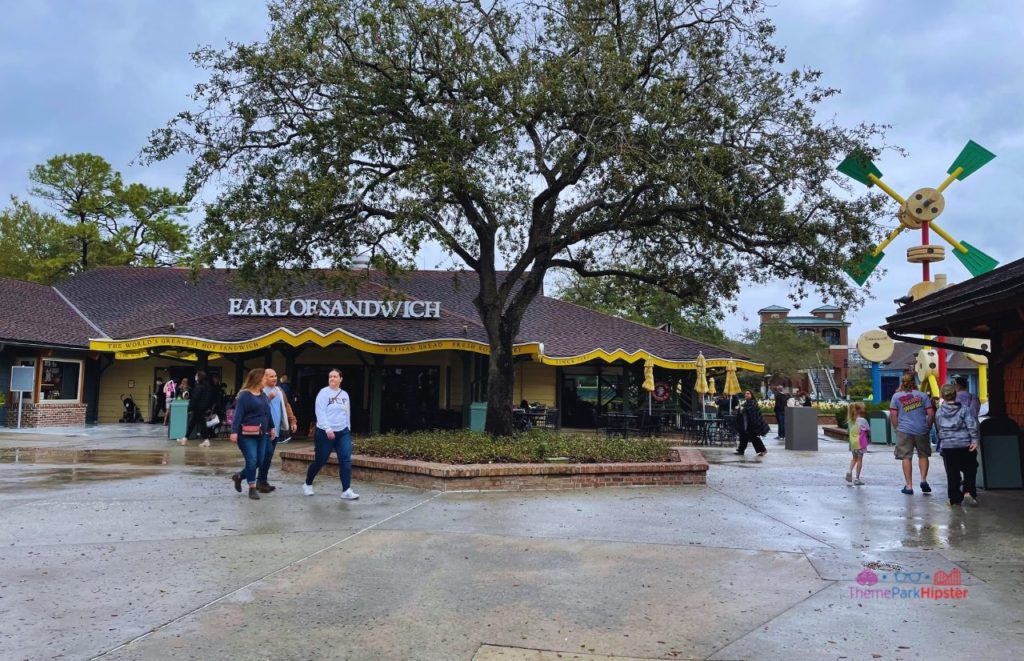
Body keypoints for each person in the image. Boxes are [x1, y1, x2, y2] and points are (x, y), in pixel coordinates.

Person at [304, 369, 359, 500]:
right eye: (330, 377)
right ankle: (308, 483)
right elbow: (320, 412)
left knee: (345, 459)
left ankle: (346, 490)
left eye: (335, 377)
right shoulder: (323, 393)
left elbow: (347, 412)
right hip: (325, 432)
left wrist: (348, 427)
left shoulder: (344, 394)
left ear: (341, 379)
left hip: (343, 431)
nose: (332, 379)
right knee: (320, 460)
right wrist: (327, 428)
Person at [230, 368, 275, 500]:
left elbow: (267, 413)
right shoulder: (244, 395)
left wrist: (271, 427)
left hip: (261, 434)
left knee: (259, 461)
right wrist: (233, 432)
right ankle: (252, 488)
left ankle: (239, 476)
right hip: (246, 435)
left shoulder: (263, 395)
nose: (266, 380)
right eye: (264, 378)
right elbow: (238, 415)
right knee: (252, 460)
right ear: (257, 379)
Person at [890, 373, 936, 495]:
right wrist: (928, 426)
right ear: (914, 382)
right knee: (923, 455)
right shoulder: (922, 396)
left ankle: (909, 486)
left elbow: (893, 415)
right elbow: (931, 413)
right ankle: (923, 480)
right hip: (921, 429)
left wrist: (896, 428)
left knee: (906, 457)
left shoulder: (896, 397)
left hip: (904, 430)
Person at [935, 383, 980, 506]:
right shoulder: (964, 409)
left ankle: (955, 498)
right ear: (955, 395)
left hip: (948, 445)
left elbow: (939, 428)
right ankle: (968, 492)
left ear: (943, 396)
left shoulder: (939, 412)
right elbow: (971, 425)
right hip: (965, 444)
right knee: (970, 469)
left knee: (952, 472)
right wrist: (974, 440)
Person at [255, 368, 298, 493]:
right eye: (271, 376)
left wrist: (292, 420)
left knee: (268, 457)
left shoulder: (279, 390)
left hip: (276, 430)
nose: (274, 378)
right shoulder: (258, 390)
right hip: (262, 429)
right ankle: (247, 476)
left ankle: (261, 481)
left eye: (275, 376)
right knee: (265, 455)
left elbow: (286, 405)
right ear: (264, 378)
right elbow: (255, 406)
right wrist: (268, 398)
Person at [734, 390, 770, 457]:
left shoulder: (753, 402)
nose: (746, 395)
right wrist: (739, 409)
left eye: (748, 393)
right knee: (744, 436)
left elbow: (750, 411)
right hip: (748, 424)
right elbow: (743, 411)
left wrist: (742, 409)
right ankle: (741, 450)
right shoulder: (746, 403)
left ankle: (763, 450)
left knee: (754, 437)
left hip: (754, 423)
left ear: (751, 395)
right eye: (745, 394)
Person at [187, 371, 217, 445]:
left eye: (196, 375)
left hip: (198, 408)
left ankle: (186, 438)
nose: (195, 376)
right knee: (197, 423)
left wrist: (190, 407)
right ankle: (185, 437)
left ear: (199, 377)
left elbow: (195, 398)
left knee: (197, 423)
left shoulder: (198, 386)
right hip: (203, 408)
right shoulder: (207, 386)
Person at [846, 402, 870, 485]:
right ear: (859, 410)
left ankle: (849, 471)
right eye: (863, 408)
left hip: (853, 444)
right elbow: (868, 430)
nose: (864, 409)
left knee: (854, 458)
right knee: (860, 460)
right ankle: (857, 479)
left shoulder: (850, 420)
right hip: (860, 443)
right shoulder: (862, 420)